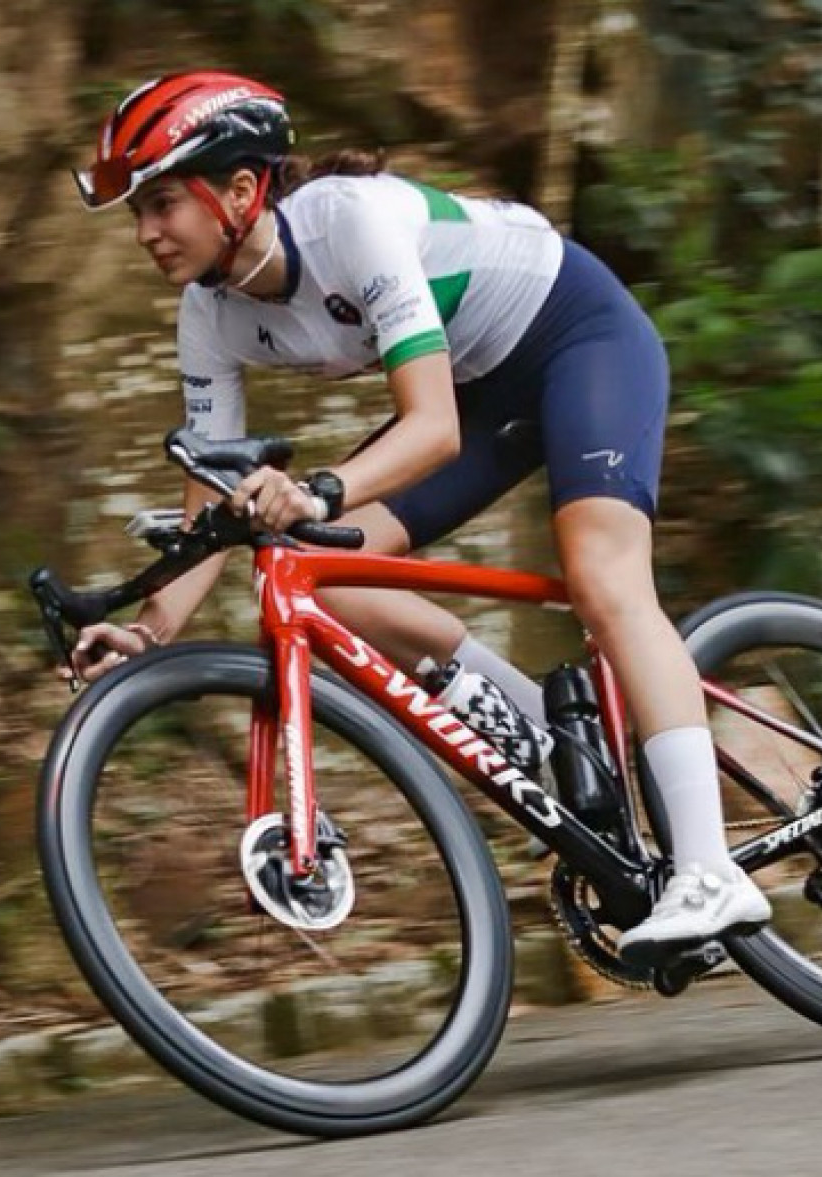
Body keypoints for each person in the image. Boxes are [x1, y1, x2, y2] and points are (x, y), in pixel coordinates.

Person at [65, 71, 770, 962]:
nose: (145, 232)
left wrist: (318, 488)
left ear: (240, 189)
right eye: (137, 211)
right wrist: (151, 630)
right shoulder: (208, 315)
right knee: (325, 576)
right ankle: (549, 738)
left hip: (574, 337)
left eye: (162, 202)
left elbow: (430, 429)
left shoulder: (347, 223)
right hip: (481, 387)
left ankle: (710, 870)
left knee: (601, 575)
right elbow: (209, 503)